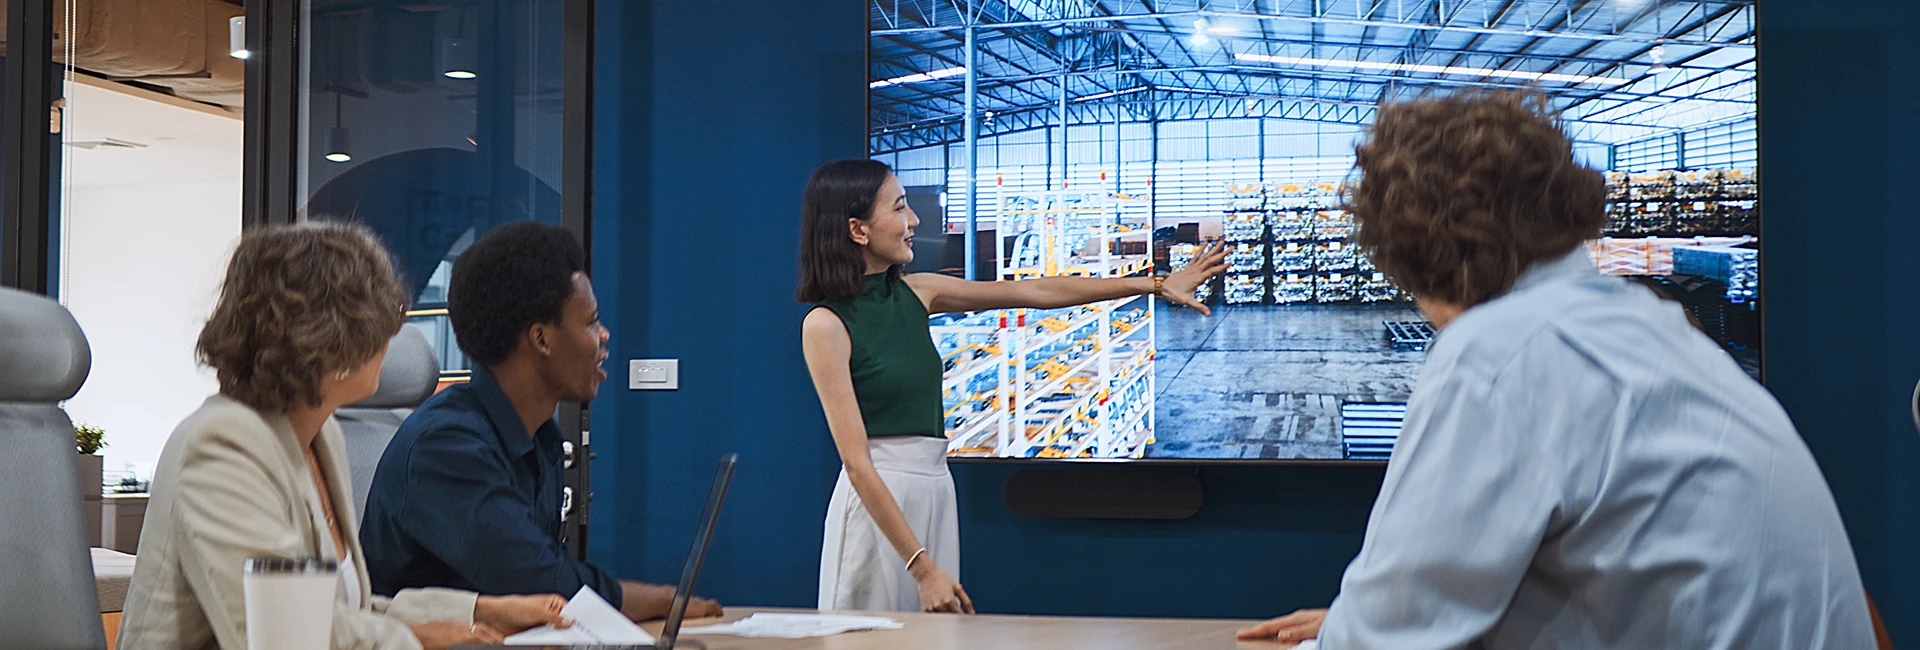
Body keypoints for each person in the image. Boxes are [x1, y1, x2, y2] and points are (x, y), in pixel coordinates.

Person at [1236, 90, 1875, 649]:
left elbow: (1381, 643)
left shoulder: (1498, 353)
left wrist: (1366, 627)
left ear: (1410, 252)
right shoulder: (1659, 331)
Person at [798, 160, 1228, 613]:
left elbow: (1036, 293)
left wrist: (1156, 284)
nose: (915, 221)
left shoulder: (916, 292)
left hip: (934, 487)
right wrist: (922, 568)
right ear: (857, 230)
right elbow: (856, 462)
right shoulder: (826, 324)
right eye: (900, 207)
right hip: (878, 504)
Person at [117, 223, 570, 650]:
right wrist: (423, 639)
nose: (392, 336)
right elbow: (283, 633)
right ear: (324, 337)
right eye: (378, 318)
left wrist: (480, 609)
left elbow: (346, 609)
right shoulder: (220, 447)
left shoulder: (322, 435)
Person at [359, 220, 721, 622]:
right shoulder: (443, 446)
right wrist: (667, 601)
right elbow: (542, 582)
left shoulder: (540, 439)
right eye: (589, 321)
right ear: (541, 339)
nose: (603, 335)